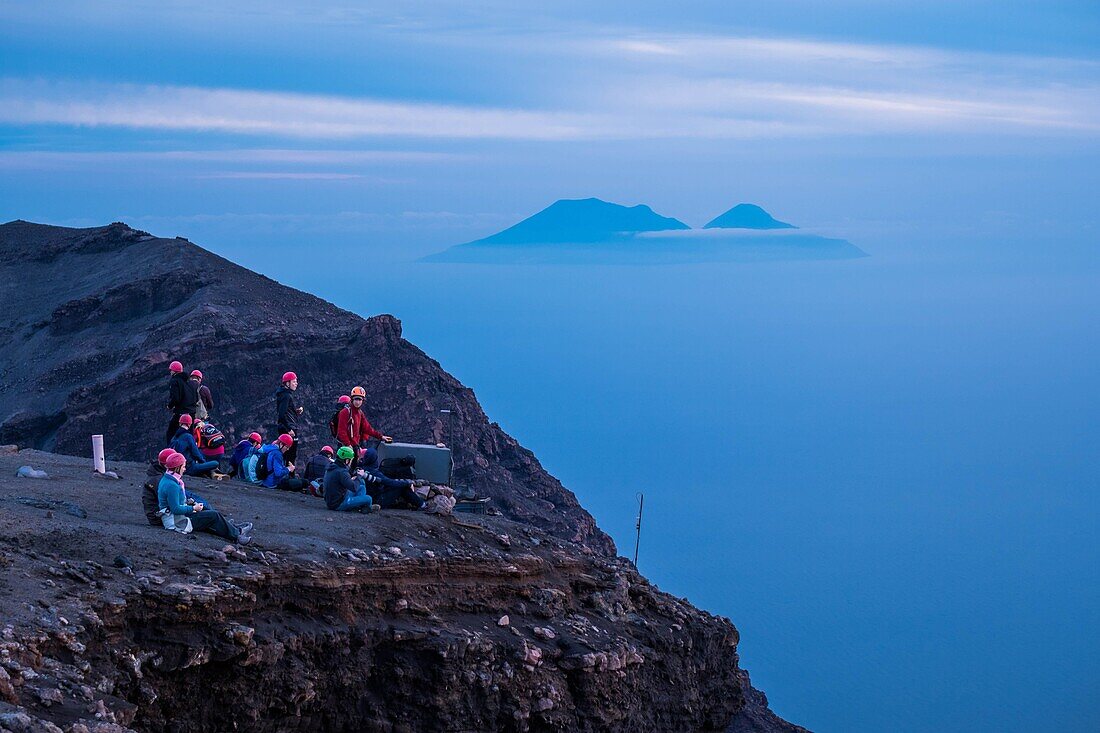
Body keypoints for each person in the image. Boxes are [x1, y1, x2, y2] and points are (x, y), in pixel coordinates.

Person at [158, 452, 252, 544]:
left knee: (206, 510)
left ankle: (232, 528)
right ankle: (237, 535)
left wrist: (189, 503)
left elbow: (174, 503)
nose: (185, 469)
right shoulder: (172, 485)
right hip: (177, 522)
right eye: (183, 466)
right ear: (177, 468)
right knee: (213, 515)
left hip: (174, 518)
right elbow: (176, 509)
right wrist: (193, 508)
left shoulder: (168, 479)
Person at [336, 386, 394, 466]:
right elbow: (341, 431)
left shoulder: (359, 413)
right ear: (352, 399)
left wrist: (381, 437)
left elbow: (367, 428)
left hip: (354, 445)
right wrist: (348, 445)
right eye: (356, 399)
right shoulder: (345, 412)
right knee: (345, 468)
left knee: (353, 467)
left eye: (360, 399)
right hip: (346, 447)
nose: (358, 402)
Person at [358, 446, 424, 510]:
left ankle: (416, 504)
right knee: (402, 487)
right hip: (377, 500)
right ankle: (422, 505)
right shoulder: (375, 472)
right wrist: (408, 483)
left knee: (397, 485)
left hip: (368, 496)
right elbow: (390, 482)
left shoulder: (361, 468)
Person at [324, 446, 378, 512]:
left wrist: (352, 479)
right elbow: (354, 488)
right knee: (369, 498)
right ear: (346, 460)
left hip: (332, 500)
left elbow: (339, 482)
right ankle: (367, 509)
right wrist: (359, 476)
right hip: (338, 504)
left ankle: (359, 506)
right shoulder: (342, 472)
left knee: (361, 488)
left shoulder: (332, 466)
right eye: (350, 460)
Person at [165, 360, 198, 446]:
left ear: (174, 371)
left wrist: (169, 405)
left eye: (171, 370)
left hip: (181, 413)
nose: (170, 372)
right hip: (192, 413)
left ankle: (171, 450)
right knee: (190, 434)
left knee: (171, 432)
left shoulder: (175, 381)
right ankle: (191, 452)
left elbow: (175, 398)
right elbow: (196, 398)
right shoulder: (191, 383)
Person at [274, 371, 303, 468]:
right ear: (287, 383)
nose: (296, 384)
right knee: (290, 454)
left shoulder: (284, 394)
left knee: (287, 453)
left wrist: (295, 411)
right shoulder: (286, 396)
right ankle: (289, 476)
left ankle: (286, 474)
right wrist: (289, 429)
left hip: (287, 427)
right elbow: (282, 414)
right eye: (294, 381)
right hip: (289, 428)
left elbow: (285, 411)